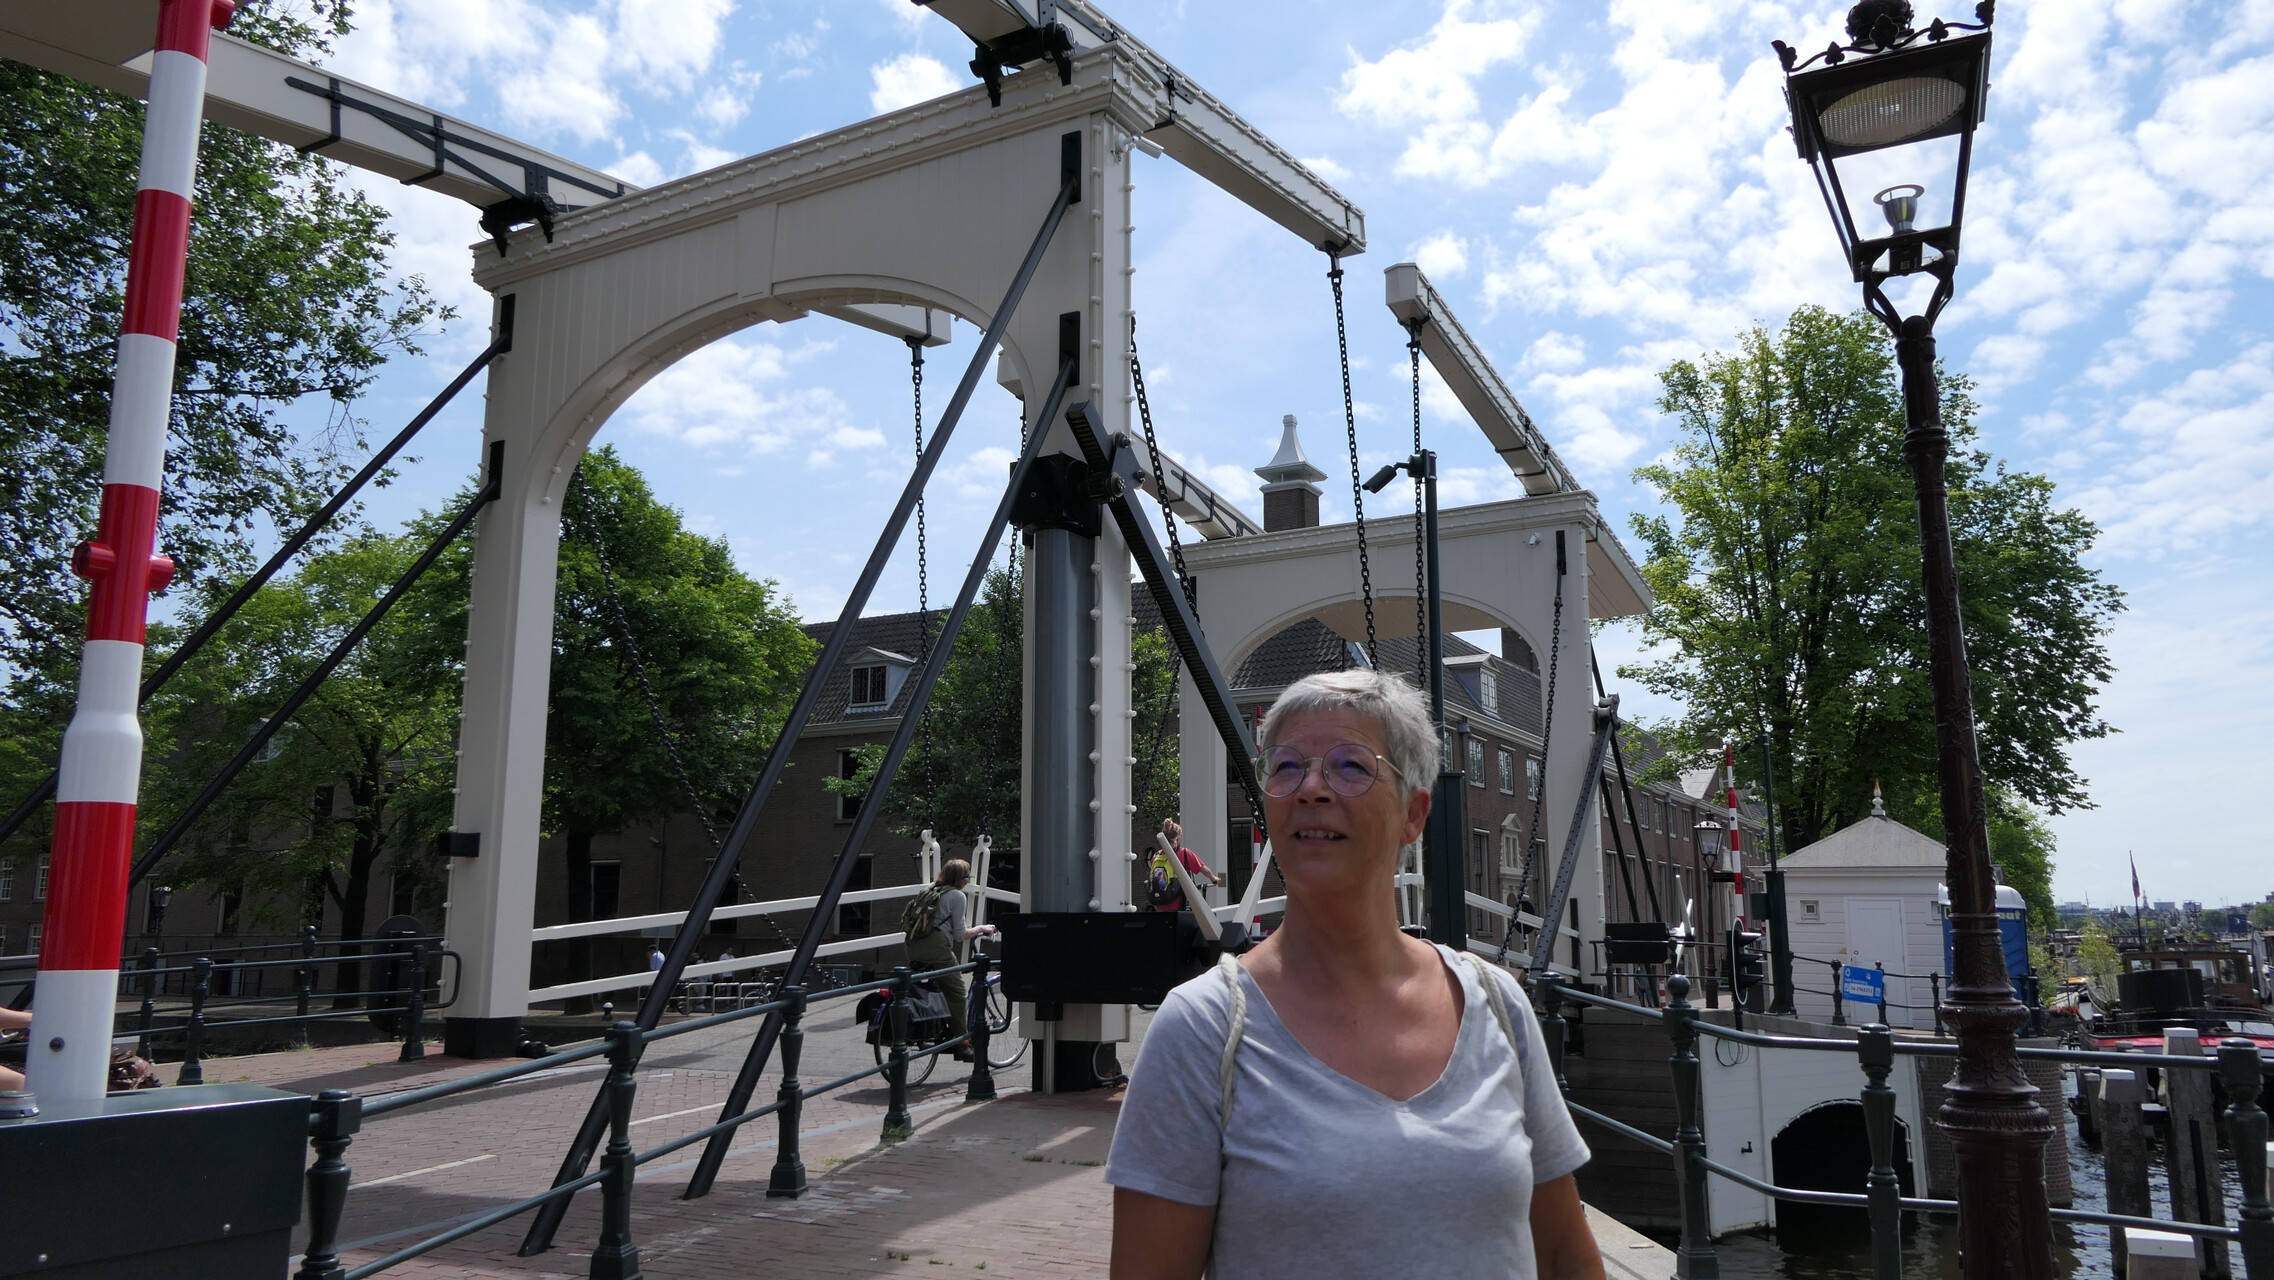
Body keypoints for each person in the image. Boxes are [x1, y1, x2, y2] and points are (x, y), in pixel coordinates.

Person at [1105, 669, 1604, 1279]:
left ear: (1413, 815)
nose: (1311, 788)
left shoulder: (1496, 1004)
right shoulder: (1204, 1030)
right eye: (1287, 767)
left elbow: (1562, 1252)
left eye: (1350, 767)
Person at [901, 858, 996, 1062]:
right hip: (935, 949)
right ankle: (962, 1045)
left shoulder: (930, 889)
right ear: (962, 879)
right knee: (958, 992)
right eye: (967, 877)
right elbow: (961, 935)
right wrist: (982, 928)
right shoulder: (957, 896)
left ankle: (938, 1025)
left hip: (912, 946)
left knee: (939, 984)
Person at [1147, 818, 1223, 913]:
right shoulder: (1184, 853)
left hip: (1159, 902)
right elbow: (1204, 870)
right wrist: (1213, 878)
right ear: (1177, 838)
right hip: (1175, 901)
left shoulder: (1156, 856)